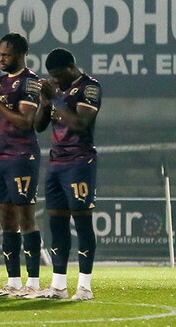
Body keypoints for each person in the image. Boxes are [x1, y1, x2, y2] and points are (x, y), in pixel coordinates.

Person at [31, 48, 101, 301]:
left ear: (71, 67)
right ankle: (58, 286)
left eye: (59, 76)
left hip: (79, 162)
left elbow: (80, 124)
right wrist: (44, 101)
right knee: (57, 224)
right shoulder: (56, 91)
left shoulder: (89, 88)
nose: (56, 80)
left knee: (82, 222)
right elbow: (38, 126)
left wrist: (57, 100)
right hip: (56, 163)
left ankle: (84, 286)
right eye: (53, 76)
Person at [0, 32, 42, 297]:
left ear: (19, 54)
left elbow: (26, 122)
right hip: (0, 157)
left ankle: (34, 282)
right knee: (6, 221)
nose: (1, 59)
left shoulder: (30, 83)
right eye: (0, 54)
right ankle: (14, 281)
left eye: (6, 54)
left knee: (26, 217)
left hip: (22, 157)